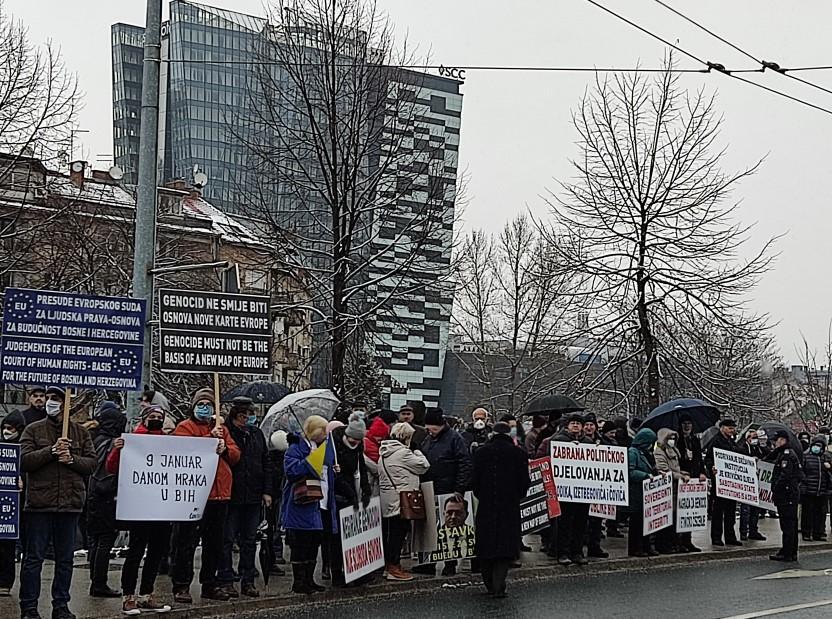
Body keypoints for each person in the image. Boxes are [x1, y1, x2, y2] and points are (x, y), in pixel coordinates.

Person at [19, 386, 97, 619]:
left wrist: (71, 459)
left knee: (65, 559)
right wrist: (51, 451)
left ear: (66, 404)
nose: (51, 402)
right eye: (49, 398)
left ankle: (61, 605)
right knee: (34, 559)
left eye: (57, 399)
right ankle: (29, 607)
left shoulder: (80, 433)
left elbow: (92, 464)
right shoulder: (33, 430)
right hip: (39, 504)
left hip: (70, 504)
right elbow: (24, 461)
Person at [171, 388, 241, 603]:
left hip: (219, 495)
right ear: (193, 406)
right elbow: (183, 451)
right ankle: (181, 585)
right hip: (194, 495)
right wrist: (208, 441)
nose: (204, 408)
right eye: (200, 404)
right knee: (186, 542)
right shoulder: (185, 427)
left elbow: (236, 454)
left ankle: (210, 584)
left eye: (208, 405)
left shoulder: (221, 429)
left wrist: (224, 448)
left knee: (214, 543)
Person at [106, 405, 172, 614]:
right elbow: (111, 467)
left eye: (158, 417)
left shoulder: (169, 441)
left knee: (156, 552)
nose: (155, 419)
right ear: (143, 419)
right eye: (151, 416)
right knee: (135, 552)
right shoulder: (132, 439)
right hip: (139, 506)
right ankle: (129, 596)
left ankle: (146, 594)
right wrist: (118, 449)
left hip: (162, 506)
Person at [218, 397, 274, 598]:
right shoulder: (225, 433)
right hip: (231, 495)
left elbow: (266, 462)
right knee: (227, 539)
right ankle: (225, 579)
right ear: (235, 416)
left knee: (250, 540)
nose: (248, 419)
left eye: (251, 415)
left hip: (253, 494)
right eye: (244, 415)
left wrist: (267, 491)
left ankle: (247, 580)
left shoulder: (256, 434)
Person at [472, 422, 530, 598]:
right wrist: (516, 495)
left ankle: (489, 583)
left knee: (486, 544)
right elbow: (524, 482)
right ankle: (499, 584)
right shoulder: (519, 453)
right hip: (509, 504)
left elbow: (475, 481)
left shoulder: (481, 452)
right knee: (505, 546)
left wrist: (483, 494)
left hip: (487, 504)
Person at [281, 415, 336, 595]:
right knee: (301, 545)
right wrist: (308, 461)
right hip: (301, 503)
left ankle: (309, 580)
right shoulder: (296, 447)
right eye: (323, 431)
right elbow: (291, 471)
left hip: (319, 503)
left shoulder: (322, 447)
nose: (326, 435)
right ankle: (299, 582)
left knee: (314, 543)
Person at [417, 407, 472, 576]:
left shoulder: (455, 439)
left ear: (440, 425)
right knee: (428, 528)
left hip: (449, 489)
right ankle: (427, 563)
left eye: (432, 428)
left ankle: (450, 563)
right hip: (430, 488)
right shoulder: (428, 439)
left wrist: (459, 489)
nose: (429, 431)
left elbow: (464, 463)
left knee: (450, 528)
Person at [378, 423, 430, 582]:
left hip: (388, 499)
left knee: (390, 533)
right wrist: (418, 452)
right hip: (402, 500)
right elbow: (424, 466)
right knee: (398, 534)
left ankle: (389, 566)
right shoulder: (403, 453)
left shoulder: (384, 452)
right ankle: (394, 567)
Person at [86, 401, 126, 598]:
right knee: (105, 540)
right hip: (107, 494)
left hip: (93, 494)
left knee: (96, 540)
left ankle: (95, 580)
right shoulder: (109, 442)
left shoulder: (94, 438)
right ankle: (99, 583)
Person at [329, 414, 371, 587]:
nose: (355, 443)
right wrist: (351, 495)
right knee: (338, 540)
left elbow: (362, 468)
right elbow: (337, 477)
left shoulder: (358, 448)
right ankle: (337, 573)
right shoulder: (335, 447)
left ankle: (356, 571)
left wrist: (366, 490)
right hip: (340, 497)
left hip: (355, 494)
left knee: (356, 538)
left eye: (358, 440)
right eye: (353, 439)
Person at [552, 414, 593, 565]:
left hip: (583, 490)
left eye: (578, 423)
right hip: (565, 491)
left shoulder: (588, 442)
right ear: (567, 426)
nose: (575, 426)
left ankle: (577, 552)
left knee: (581, 523)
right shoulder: (558, 441)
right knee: (565, 522)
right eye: (573, 423)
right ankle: (563, 552)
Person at [705, 419, 742, 547]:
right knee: (718, 511)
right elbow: (708, 458)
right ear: (722, 428)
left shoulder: (732, 442)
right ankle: (716, 537)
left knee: (730, 511)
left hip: (731, 483)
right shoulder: (716, 441)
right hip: (720, 482)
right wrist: (712, 468)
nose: (732, 430)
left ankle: (730, 536)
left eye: (733, 428)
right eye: (730, 428)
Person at [770, 430, 805, 562]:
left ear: (783, 440)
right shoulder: (783, 453)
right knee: (788, 525)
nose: (775, 443)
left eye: (777, 440)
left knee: (788, 525)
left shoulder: (786, 455)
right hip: (788, 494)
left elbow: (785, 476)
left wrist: (775, 489)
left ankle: (788, 552)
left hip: (787, 494)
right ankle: (788, 550)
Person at [0, 411, 24, 597]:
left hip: (16, 506)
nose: (7, 432)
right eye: (5, 428)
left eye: (11, 428)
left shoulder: (24, 450)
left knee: (8, 546)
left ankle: (5, 582)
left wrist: (23, 482)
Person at [653, 428, 687, 554]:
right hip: (667, 488)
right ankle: (664, 544)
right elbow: (664, 469)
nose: (672, 441)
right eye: (669, 438)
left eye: (673, 438)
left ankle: (674, 543)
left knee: (674, 518)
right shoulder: (660, 452)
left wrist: (683, 473)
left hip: (675, 487)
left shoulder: (673, 451)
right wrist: (680, 476)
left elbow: (675, 468)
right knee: (666, 518)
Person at [627, 428, 659, 557]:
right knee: (637, 522)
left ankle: (646, 546)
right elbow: (630, 472)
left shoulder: (646, 453)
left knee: (646, 522)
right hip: (636, 492)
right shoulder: (633, 453)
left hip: (646, 493)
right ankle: (636, 547)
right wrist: (646, 475)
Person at [738, 429, 768, 542]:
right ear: (747, 438)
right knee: (745, 509)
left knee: (756, 508)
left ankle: (753, 531)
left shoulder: (759, 448)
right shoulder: (742, 448)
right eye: (753, 437)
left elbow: (768, 454)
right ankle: (743, 532)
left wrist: (763, 445)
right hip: (747, 483)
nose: (755, 440)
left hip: (758, 482)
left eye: (756, 437)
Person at [800, 434, 831, 542]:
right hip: (809, 489)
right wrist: (804, 485)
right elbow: (801, 472)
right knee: (808, 513)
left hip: (821, 490)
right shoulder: (806, 456)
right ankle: (807, 533)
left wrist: (829, 468)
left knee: (820, 513)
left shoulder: (825, 458)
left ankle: (819, 532)